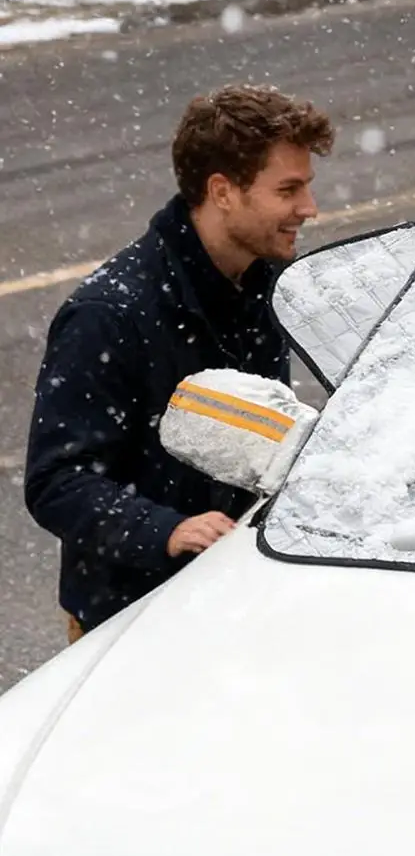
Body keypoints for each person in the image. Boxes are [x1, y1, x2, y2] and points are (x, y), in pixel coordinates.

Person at [25, 84, 334, 640]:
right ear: (222, 191)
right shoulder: (109, 314)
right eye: (288, 189)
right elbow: (56, 481)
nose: (308, 209)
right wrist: (166, 530)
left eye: (306, 187)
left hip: (236, 602)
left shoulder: (262, 287)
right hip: (129, 626)